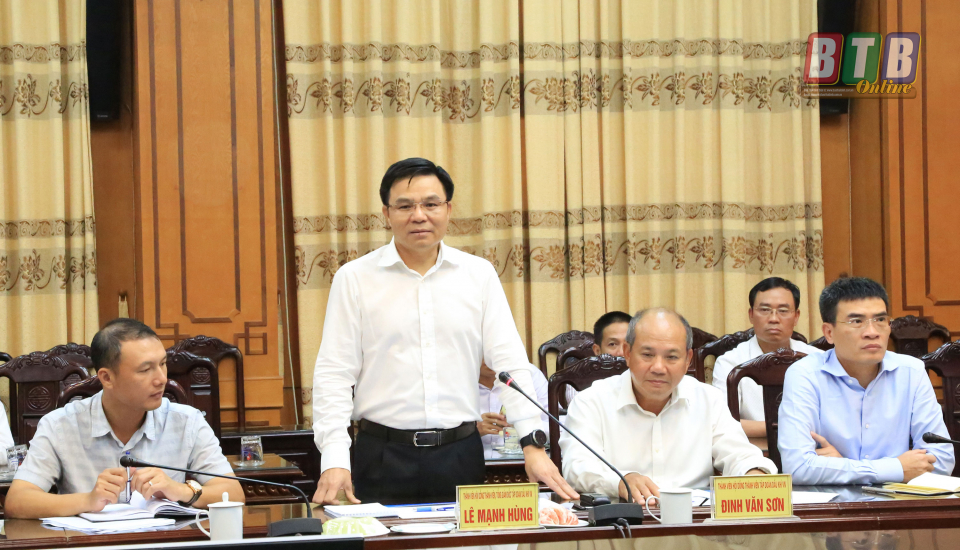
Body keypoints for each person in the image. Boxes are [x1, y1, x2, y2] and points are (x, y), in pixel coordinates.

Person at [312, 158, 577, 505]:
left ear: (448, 210)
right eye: (405, 206)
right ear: (386, 213)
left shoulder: (478, 275)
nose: (419, 215)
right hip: (381, 455)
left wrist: (532, 444)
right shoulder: (355, 278)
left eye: (431, 204)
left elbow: (509, 365)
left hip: (459, 454)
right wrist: (334, 457)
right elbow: (334, 374)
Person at [6, 319, 243, 519]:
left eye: (162, 364)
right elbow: (18, 501)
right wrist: (87, 500)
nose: (161, 379)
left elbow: (233, 493)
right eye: (145, 370)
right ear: (107, 378)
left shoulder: (187, 421)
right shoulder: (60, 425)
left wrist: (180, 490)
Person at [560, 308, 776, 500]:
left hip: (694, 520)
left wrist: (753, 472)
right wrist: (620, 481)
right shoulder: (591, 402)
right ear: (627, 353)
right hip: (624, 520)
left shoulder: (708, 399)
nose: (658, 368)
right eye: (647, 355)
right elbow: (576, 466)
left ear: (688, 360)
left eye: (671, 357)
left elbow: (738, 453)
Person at [779, 277, 955, 485]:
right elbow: (797, 467)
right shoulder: (805, 374)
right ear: (829, 332)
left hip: (898, 500)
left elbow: (942, 460)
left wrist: (843, 466)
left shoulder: (911, 372)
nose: (872, 333)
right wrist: (896, 468)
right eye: (856, 321)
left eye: (880, 320)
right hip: (833, 502)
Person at [711, 277, 821, 437]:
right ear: (751, 315)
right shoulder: (729, 362)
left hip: (811, 446)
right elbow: (722, 422)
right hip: (752, 448)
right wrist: (789, 428)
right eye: (764, 310)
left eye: (783, 311)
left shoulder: (817, 358)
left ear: (796, 316)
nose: (774, 319)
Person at [562, 311, 633, 406]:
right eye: (612, 344)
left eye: (627, 344)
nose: (621, 352)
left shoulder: (648, 375)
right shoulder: (578, 380)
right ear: (597, 350)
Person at [477, 362, 549, 453]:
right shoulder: (460, 379)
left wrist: (523, 424)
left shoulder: (528, 373)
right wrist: (470, 431)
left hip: (525, 457)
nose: (489, 358)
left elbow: (557, 429)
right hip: (472, 458)